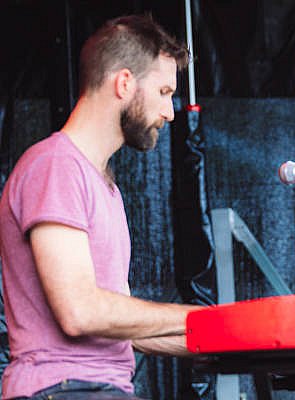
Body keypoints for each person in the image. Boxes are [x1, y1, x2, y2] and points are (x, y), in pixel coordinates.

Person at [0, 15, 202, 399]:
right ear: (124, 83)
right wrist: (200, 317)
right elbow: (81, 312)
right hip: (63, 388)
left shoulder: (103, 186)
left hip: (95, 388)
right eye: (163, 91)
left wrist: (234, 334)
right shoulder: (56, 166)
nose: (170, 111)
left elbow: (124, 329)